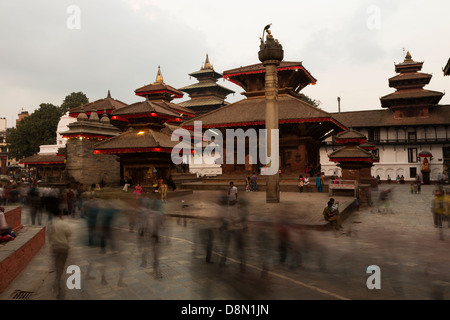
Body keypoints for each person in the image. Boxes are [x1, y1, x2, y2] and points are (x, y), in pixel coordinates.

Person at [47, 209, 73, 299]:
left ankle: (57, 278)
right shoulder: (63, 223)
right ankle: (59, 279)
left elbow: (49, 235)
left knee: (56, 263)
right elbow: (69, 233)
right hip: (64, 247)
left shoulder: (50, 224)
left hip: (55, 247)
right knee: (61, 265)